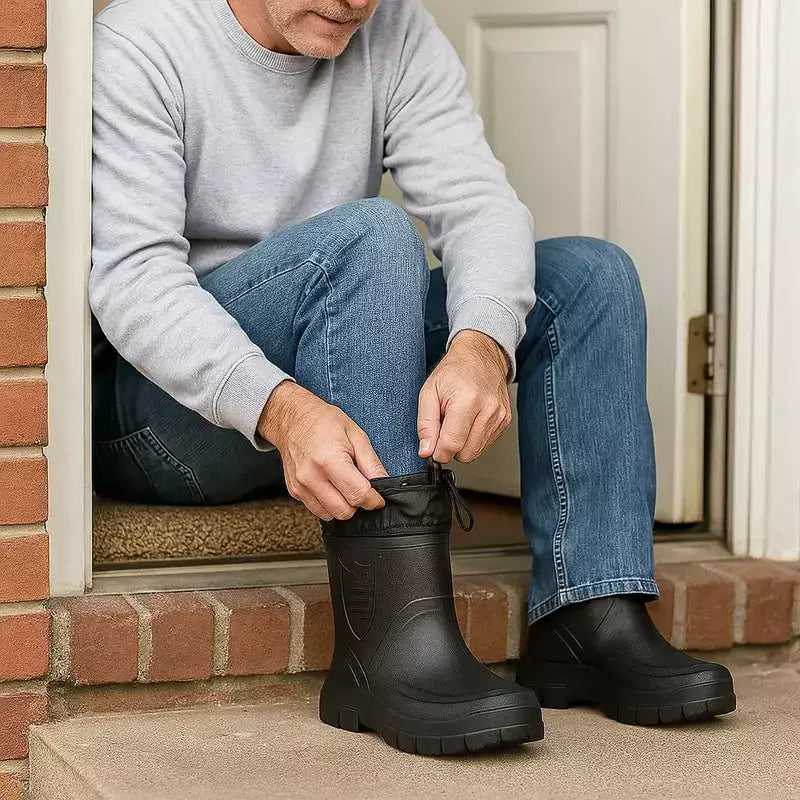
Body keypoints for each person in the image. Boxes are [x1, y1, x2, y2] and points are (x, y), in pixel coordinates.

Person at [90, 0, 736, 755]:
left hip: (330, 356)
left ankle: (590, 615)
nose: (352, 2)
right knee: (372, 234)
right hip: (164, 416)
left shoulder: (392, 26)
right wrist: (280, 408)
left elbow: (477, 203)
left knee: (589, 278)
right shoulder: (142, 41)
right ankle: (392, 646)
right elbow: (133, 280)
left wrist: (482, 347)